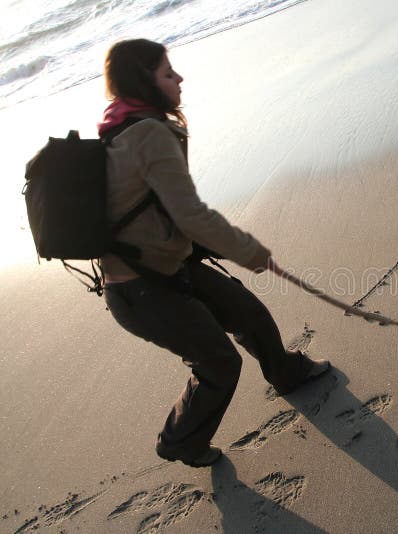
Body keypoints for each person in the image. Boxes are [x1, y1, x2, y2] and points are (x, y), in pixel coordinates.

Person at [99, 39, 330, 467]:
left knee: (247, 313)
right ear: (144, 81)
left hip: (164, 269)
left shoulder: (123, 129)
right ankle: (179, 441)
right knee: (218, 363)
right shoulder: (148, 133)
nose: (179, 78)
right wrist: (250, 251)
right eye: (168, 73)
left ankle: (287, 373)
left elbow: (160, 213)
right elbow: (192, 215)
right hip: (143, 291)